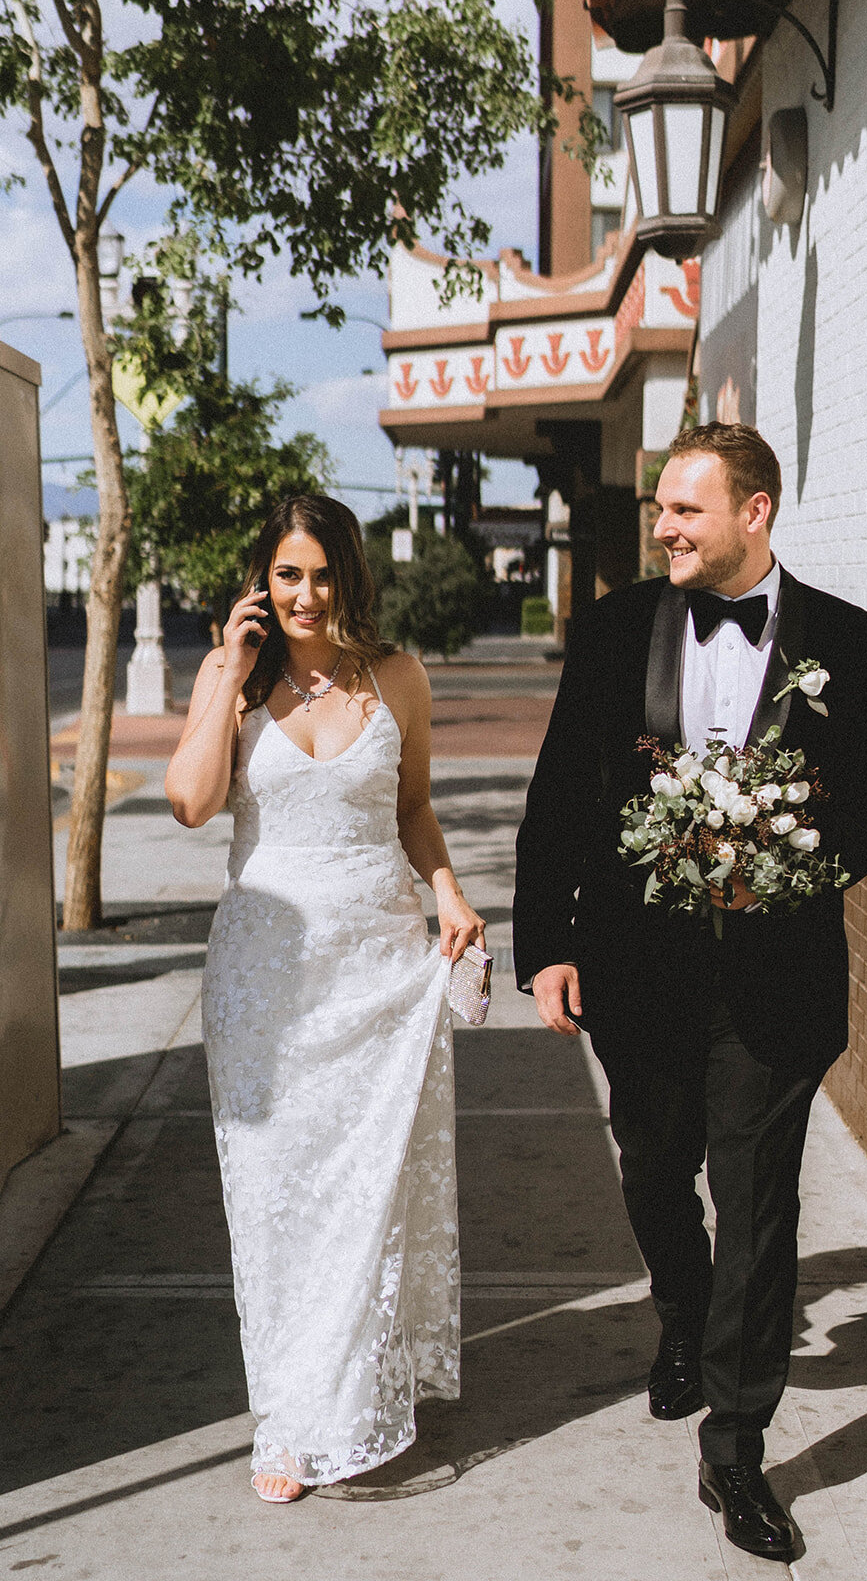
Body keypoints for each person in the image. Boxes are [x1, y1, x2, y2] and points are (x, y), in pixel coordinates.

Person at [513, 423, 867, 1561]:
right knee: (650, 1165)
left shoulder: (852, 640)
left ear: (756, 511)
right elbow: (556, 799)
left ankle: (734, 1447)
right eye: (659, 510)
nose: (664, 527)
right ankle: (681, 1313)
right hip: (636, 967)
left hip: (777, 980)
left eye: (686, 509)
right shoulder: (607, 632)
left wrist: (790, 858)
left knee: (758, 1198)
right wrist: (546, 942)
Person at [166, 493, 484, 1504]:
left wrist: (448, 892)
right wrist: (225, 672)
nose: (304, 594)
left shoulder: (396, 677)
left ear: (349, 574)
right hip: (266, 978)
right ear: (262, 580)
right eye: (285, 574)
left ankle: (346, 1393)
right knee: (277, 1200)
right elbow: (191, 801)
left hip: (379, 971)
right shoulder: (235, 679)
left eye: (321, 572)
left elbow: (414, 806)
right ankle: (289, 1420)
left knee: (365, 1197)